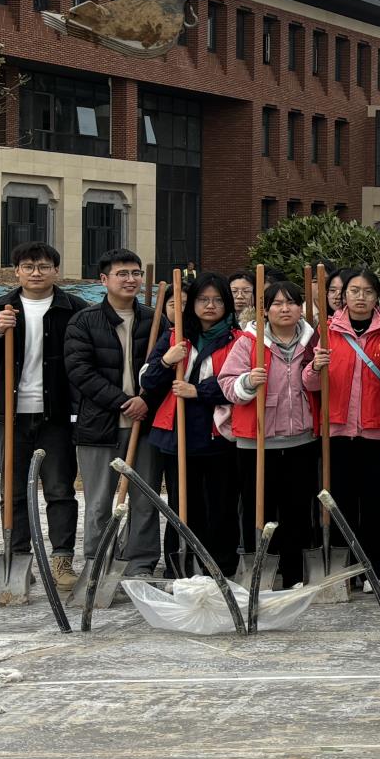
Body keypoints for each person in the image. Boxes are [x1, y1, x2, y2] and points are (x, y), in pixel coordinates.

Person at [0, 241, 85, 588]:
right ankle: (18, 560)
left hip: (55, 415)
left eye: (43, 266)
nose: (36, 272)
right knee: (13, 491)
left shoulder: (75, 310)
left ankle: (61, 562)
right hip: (11, 414)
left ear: (56, 270)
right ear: (17, 272)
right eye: (28, 266)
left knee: (58, 488)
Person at [66, 249, 166, 575]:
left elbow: (166, 370)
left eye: (135, 273)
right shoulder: (84, 321)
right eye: (122, 273)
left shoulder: (156, 321)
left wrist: (146, 399)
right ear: (104, 280)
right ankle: (98, 562)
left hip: (145, 426)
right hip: (100, 425)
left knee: (144, 500)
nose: (130, 279)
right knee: (99, 501)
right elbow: (80, 371)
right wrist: (125, 402)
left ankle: (140, 564)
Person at [139, 272, 245, 575]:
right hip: (178, 432)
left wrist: (198, 391)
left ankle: (220, 568)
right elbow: (148, 381)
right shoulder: (175, 336)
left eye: (217, 300)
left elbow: (237, 385)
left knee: (221, 505)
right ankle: (179, 565)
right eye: (202, 300)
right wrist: (167, 361)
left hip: (219, 434)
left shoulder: (239, 341)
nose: (210, 306)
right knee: (182, 502)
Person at [303, 268, 380, 583]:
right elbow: (310, 384)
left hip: (376, 435)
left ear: (378, 297)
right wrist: (314, 368)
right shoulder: (326, 331)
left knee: (377, 506)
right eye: (354, 291)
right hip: (337, 433)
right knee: (340, 505)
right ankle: (343, 572)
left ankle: (373, 569)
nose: (360, 298)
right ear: (343, 296)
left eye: (368, 292)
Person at [219, 279, 319, 589]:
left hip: (301, 438)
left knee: (297, 510)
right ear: (265, 310)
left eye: (291, 302)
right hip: (257, 440)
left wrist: (316, 370)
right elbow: (227, 383)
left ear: (300, 307)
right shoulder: (249, 341)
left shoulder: (313, 341)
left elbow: (319, 386)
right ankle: (262, 571)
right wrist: (248, 381)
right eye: (277, 303)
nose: (285, 308)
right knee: (258, 508)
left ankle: (293, 576)